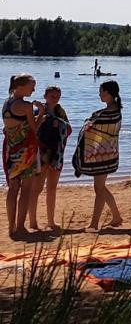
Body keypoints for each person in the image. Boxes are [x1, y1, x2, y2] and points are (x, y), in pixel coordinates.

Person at [72, 81, 123, 231]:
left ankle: (94, 224)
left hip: (104, 155)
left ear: (108, 93)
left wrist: (89, 123)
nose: (99, 94)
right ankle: (116, 217)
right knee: (100, 187)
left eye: (101, 91)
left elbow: (97, 127)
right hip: (107, 154)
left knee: (99, 188)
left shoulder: (111, 112)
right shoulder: (112, 110)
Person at [5, 73, 44, 238]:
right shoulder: (26, 106)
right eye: (32, 86)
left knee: (13, 188)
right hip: (26, 150)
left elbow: (15, 124)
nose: (34, 89)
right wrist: (41, 112)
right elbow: (34, 128)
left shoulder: (7, 103)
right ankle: (20, 226)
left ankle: (11, 227)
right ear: (21, 86)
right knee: (26, 189)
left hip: (10, 149)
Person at [33, 86, 71, 232]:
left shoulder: (60, 112)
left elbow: (68, 130)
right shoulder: (38, 111)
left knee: (52, 188)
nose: (55, 98)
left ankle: (51, 221)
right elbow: (32, 129)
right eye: (52, 96)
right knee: (37, 188)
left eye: (57, 95)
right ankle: (33, 222)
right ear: (45, 96)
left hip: (56, 154)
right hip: (41, 153)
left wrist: (58, 123)